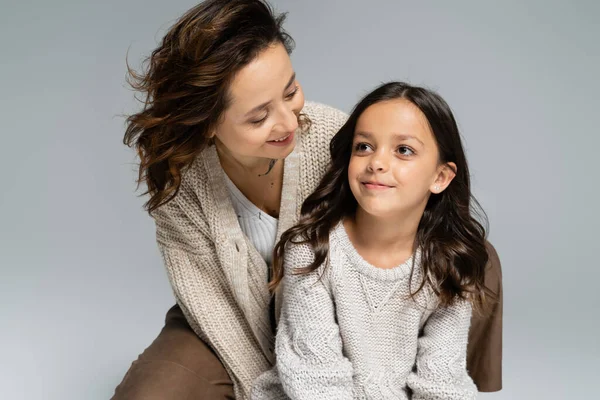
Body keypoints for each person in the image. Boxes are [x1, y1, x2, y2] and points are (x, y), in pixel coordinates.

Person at [113, 1, 503, 399]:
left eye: (291, 92)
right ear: (209, 123)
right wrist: (280, 386)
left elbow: (404, 215)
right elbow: (215, 313)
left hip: (345, 315)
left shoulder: (336, 139)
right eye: (258, 116)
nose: (288, 122)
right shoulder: (181, 188)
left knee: (472, 255)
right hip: (232, 320)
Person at [252, 81, 498, 400]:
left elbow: (442, 381)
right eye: (364, 146)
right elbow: (315, 380)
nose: (377, 163)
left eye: (403, 150)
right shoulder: (312, 251)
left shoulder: (447, 265)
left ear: (440, 177)